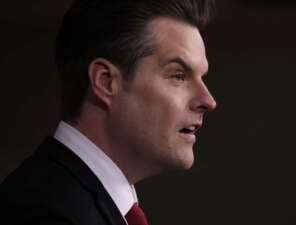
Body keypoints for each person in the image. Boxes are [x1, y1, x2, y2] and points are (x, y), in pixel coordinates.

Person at [0, 0, 217, 224]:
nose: (208, 101)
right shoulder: (44, 213)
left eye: (202, 78)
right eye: (179, 76)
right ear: (106, 82)